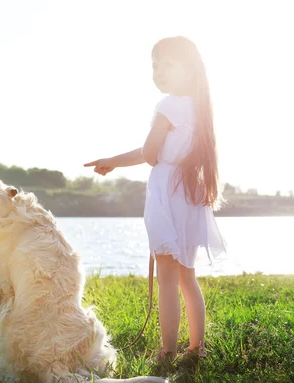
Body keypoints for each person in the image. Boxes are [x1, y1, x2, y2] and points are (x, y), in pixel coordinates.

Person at [84, 36, 227, 361]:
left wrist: (114, 159)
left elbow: (150, 154)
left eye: (167, 64)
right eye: (155, 65)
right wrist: (113, 160)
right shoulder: (198, 107)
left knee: (166, 277)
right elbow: (155, 151)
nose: (159, 71)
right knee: (187, 277)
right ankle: (196, 347)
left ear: (188, 70)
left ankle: (167, 351)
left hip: (168, 193)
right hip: (189, 194)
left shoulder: (168, 105)